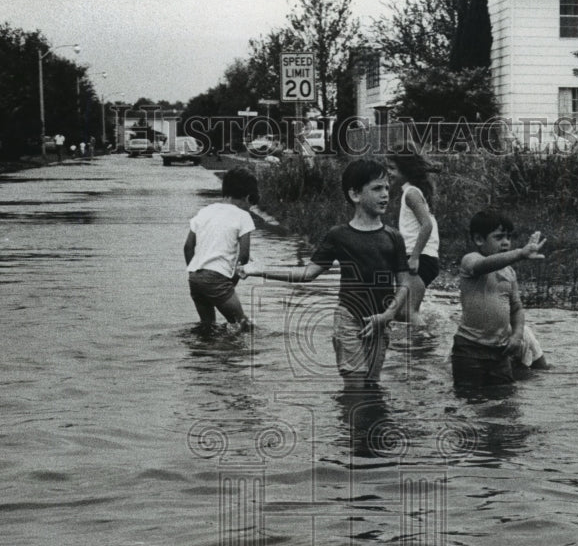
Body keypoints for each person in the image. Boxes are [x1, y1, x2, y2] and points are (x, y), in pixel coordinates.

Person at [241, 159, 411, 389]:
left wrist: (388, 315)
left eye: (387, 188)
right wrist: (259, 270)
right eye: (377, 188)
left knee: (371, 385)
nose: (385, 195)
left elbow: (404, 283)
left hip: (381, 321)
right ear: (355, 195)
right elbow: (307, 273)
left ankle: (362, 423)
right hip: (349, 319)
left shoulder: (393, 237)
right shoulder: (339, 235)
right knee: (355, 388)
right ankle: (347, 422)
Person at [451, 210, 547, 390]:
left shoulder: (509, 272)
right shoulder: (470, 260)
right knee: (469, 400)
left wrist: (517, 335)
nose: (506, 243)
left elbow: (517, 308)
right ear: (479, 240)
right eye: (499, 237)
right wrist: (520, 253)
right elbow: (484, 266)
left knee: (505, 400)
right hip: (470, 349)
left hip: (500, 351)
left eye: (509, 237)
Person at [183, 166, 259, 331]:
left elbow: (188, 247)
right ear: (247, 197)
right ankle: (233, 354)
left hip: (195, 278)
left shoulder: (205, 211)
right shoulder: (243, 216)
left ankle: (204, 354)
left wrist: (194, 273)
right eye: (251, 204)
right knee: (243, 325)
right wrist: (231, 283)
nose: (250, 208)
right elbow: (244, 256)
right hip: (217, 278)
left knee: (207, 326)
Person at [385, 146, 441, 322]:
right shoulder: (411, 191)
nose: (389, 172)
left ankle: (426, 347)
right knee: (401, 312)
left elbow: (427, 225)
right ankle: (415, 344)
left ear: (405, 170)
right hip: (421, 256)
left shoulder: (411, 193)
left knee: (409, 311)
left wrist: (415, 257)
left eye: (392, 168)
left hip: (421, 257)